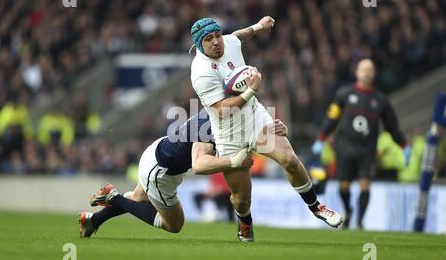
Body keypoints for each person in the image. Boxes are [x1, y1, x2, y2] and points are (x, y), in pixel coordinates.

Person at [190, 16, 342, 242]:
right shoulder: (201, 72)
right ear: (200, 44)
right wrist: (251, 90)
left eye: (218, 35)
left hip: (255, 118)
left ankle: (316, 206)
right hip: (228, 133)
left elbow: (239, 36)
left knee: (290, 160)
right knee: (241, 199)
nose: (216, 42)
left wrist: (259, 27)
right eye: (209, 39)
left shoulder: (229, 42)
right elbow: (221, 109)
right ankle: (245, 223)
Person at [78, 109, 287, 237]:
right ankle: (114, 197)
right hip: (161, 171)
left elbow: (242, 130)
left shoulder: (216, 112)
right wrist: (234, 161)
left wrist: (269, 128)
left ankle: (93, 221)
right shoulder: (211, 128)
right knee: (174, 225)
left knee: (137, 198)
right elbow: (198, 165)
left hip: (158, 152)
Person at [312, 59, 411, 229]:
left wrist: (404, 145)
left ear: (374, 74)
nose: (366, 73)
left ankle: (360, 222)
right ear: (357, 72)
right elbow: (331, 118)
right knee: (344, 187)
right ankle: (349, 210)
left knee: (365, 184)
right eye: (363, 70)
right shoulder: (344, 94)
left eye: (369, 70)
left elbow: (391, 126)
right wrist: (320, 139)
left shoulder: (381, 100)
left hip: (367, 150)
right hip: (345, 148)